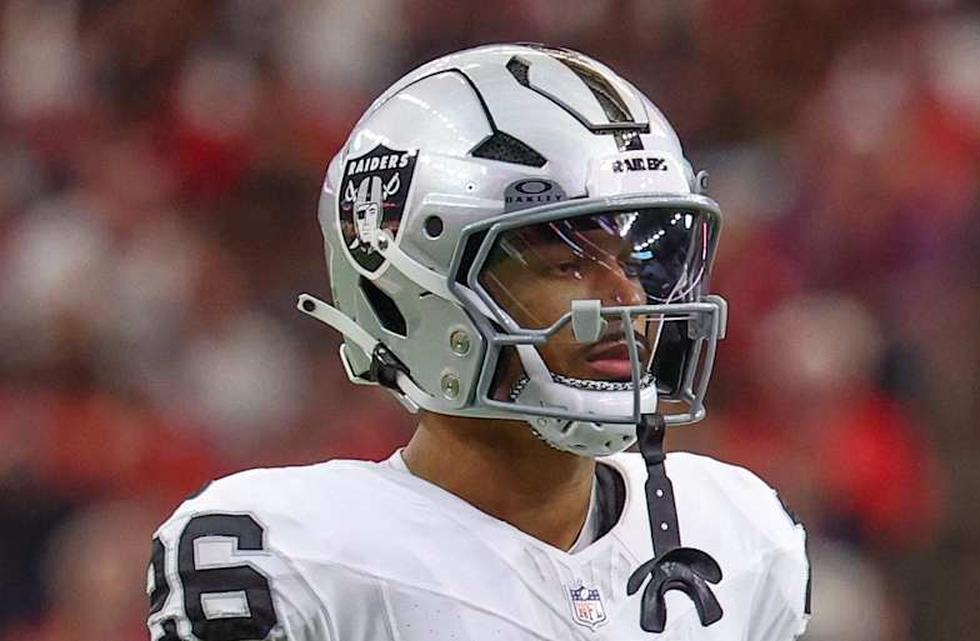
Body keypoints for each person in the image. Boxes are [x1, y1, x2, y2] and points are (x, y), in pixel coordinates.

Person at [146, 44, 810, 640]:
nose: (629, 301)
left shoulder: (737, 533)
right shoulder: (288, 552)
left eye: (639, 263)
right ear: (415, 282)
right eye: (566, 262)